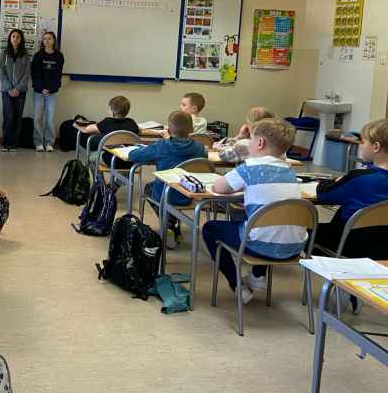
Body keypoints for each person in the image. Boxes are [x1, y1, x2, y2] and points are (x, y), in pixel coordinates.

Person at [202, 118, 307, 304]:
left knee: (210, 228)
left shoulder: (250, 168)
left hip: (260, 246)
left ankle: (237, 285)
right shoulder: (290, 171)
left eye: (250, 139)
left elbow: (218, 187)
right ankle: (258, 276)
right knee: (264, 222)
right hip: (295, 247)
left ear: (259, 143)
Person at [314, 119, 388, 259]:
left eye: (363, 142)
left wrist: (335, 181)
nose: (360, 146)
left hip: (348, 244)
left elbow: (323, 195)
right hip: (385, 248)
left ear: (376, 147)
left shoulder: (358, 177)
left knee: (306, 230)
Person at [128, 110, 206, 248]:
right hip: (190, 195)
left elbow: (134, 156)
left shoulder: (162, 146)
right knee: (163, 190)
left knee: (149, 188)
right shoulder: (200, 148)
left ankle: (168, 224)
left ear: (169, 130)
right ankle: (172, 225)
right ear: (192, 130)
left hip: (166, 194)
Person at [30, 31, 64, 152]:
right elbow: (35, 74)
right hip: (39, 91)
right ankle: (38, 142)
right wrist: (41, 88)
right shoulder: (38, 56)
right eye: (45, 39)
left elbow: (58, 75)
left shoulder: (59, 56)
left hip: (52, 92)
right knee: (38, 118)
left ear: (54, 41)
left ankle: (49, 142)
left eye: (49, 39)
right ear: (42, 41)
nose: (47, 41)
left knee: (50, 118)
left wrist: (51, 89)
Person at [0, 28, 30, 152]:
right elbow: (1, 72)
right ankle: (5, 143)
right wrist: (10, 88)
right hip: (7, 91)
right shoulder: (4, 54)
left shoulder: (25, 55)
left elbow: (27, 74)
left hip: (21, 91)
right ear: (10, 38)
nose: (15, 39)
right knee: (8, 116)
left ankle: (14, 144)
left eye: (18, 37)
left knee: (17, 117)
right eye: (13, 36)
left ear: (21, 39)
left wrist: (18, 88)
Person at [74, 95, 140, 154]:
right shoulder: (132, 123)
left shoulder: (107, 122)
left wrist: (74, 124)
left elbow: (86, 130)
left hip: (108, 156)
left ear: (112, 112)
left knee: (73, 124)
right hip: (127, 157)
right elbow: (138, 131)